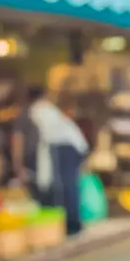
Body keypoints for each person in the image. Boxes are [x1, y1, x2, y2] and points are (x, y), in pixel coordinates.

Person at [30, 90, 89, 236]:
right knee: (69, 185)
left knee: (66, 185)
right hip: (73, 146)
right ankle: (72, 223)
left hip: (65, 146)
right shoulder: (49, 110)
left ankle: (72, 224)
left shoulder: (37, 110)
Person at [12, 87, 43, 189]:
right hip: (45, 163)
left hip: (30, 164)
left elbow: (18, 142)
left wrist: (18, 168)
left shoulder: (24, 116)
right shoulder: (49, 115)